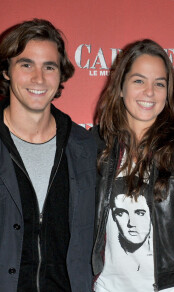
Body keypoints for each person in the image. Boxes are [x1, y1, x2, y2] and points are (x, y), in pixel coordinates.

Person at [92, 39, 174, 292]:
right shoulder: (98, 146)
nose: (150, 92)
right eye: (139, 81)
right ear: (120, 87)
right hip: (108, 287)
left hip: (169, 288)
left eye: (159, 84)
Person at [0, 19, 97, 292]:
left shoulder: (87, 148)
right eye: (26, 64)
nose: (38, 78)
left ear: (61, 74)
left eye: (49, 67)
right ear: (7, 70)